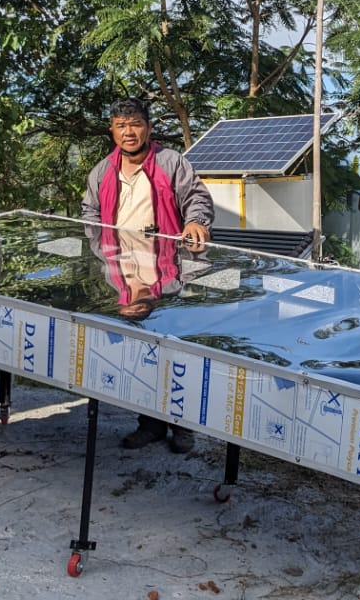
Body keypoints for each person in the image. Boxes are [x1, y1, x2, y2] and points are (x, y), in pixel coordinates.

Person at [81, 97, 214, 453]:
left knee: (177, 356)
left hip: (168, 277)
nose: (129, 132)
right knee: (138, 359)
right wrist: (100, 252)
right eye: (121, 125)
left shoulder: (170, 163)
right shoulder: (102, 171)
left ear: (149, 128)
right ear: (112, 131)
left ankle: (183, 428)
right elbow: (89, 213)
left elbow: (196, 198)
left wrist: (196, 221)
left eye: (136, 124)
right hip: (123, 278)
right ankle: (150, 425)